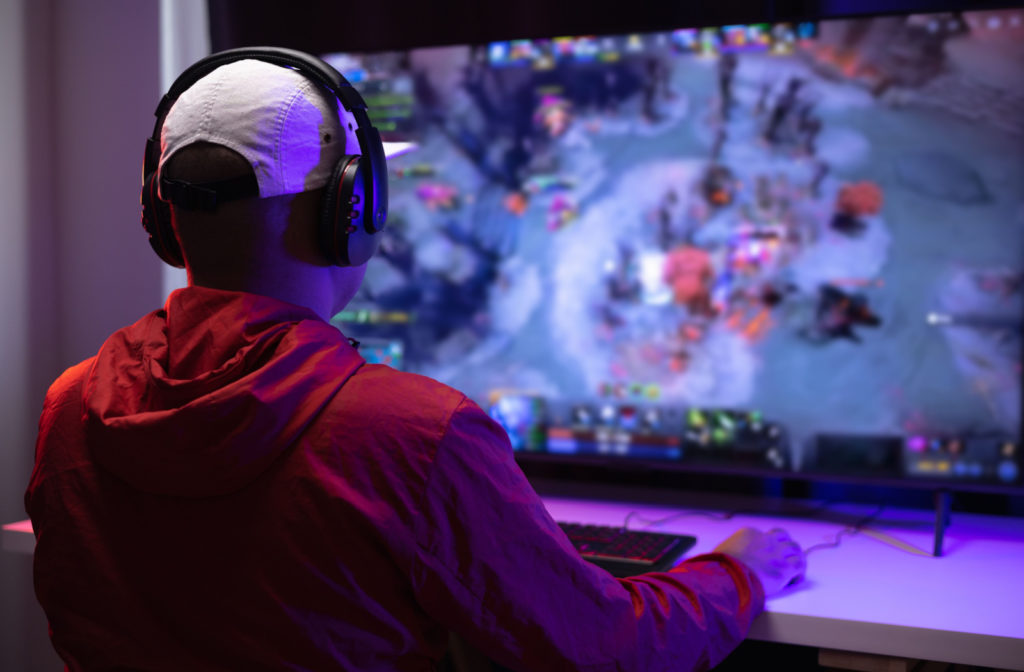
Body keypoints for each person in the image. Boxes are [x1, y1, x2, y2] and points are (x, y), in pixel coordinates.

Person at [26, 49, 805, 671]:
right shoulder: (415, 434)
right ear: (353, 209)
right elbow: (605, 647)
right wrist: (742, 571)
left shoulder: (71, 405)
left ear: (162, 218)